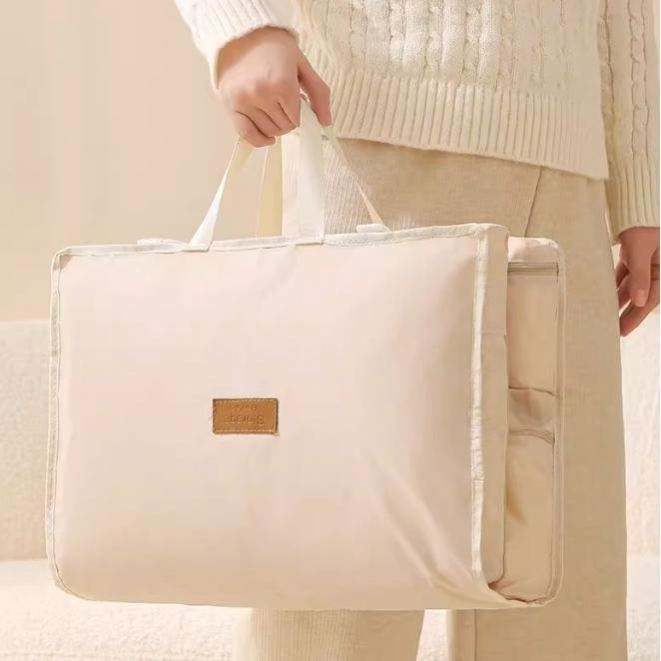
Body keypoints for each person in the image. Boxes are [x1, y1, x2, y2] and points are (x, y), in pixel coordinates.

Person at [174, 2, 659, 659]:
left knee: (562, 605)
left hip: (566, 155)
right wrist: (242, 26)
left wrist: (641, 183)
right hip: (362, 128)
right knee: (336, 591)